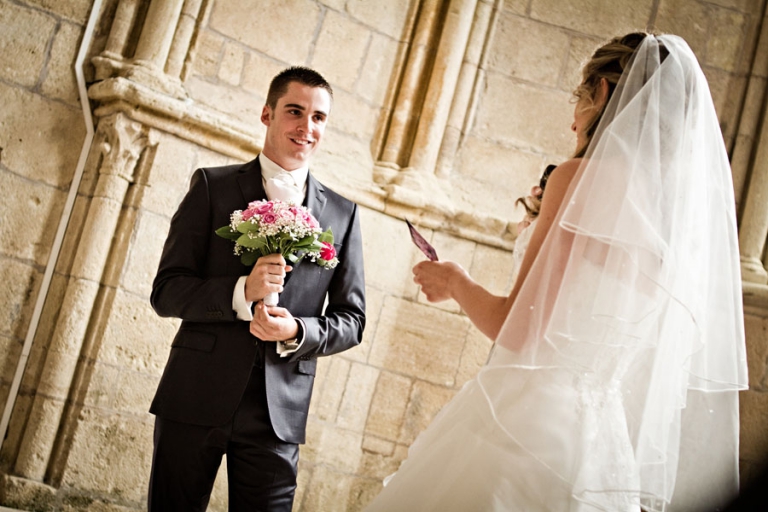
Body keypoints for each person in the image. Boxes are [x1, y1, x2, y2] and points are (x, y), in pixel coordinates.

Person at [365, 33, 747, 511]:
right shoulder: (676, 217)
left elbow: (515, 329)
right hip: (599, 443)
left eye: (580, 99)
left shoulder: (577, 178)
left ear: (605, 93)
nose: (573, 119)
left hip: (525, 423)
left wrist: (456, 282)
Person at [148, 66, 366, 511]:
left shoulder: (342, 215)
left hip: (278, 415)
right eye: (295, 111)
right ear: (267, 114)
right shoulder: (212, 186)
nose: (307, 128)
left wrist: (299, 332)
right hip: (195, 396)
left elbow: (353, 320)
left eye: (319, 118)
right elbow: (167, 291)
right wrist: (240, 292)